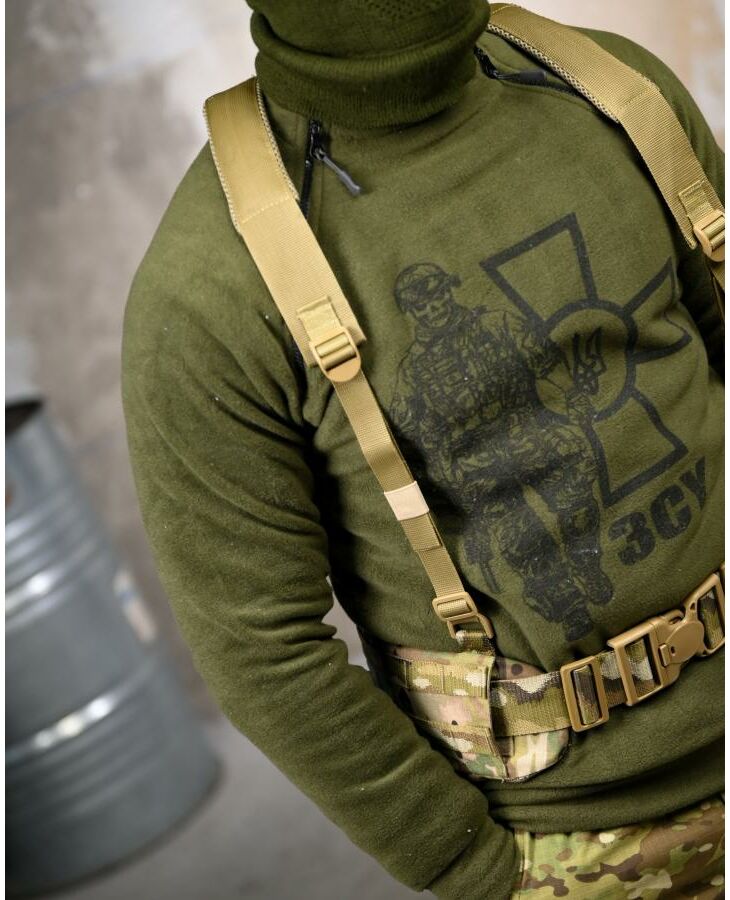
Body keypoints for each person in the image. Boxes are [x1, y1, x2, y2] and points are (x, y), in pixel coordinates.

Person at [121, 2, 724, 897]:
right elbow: (262, 651)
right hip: (581, 839)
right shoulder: (208, 291)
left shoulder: (617, 93)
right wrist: (476, 872)